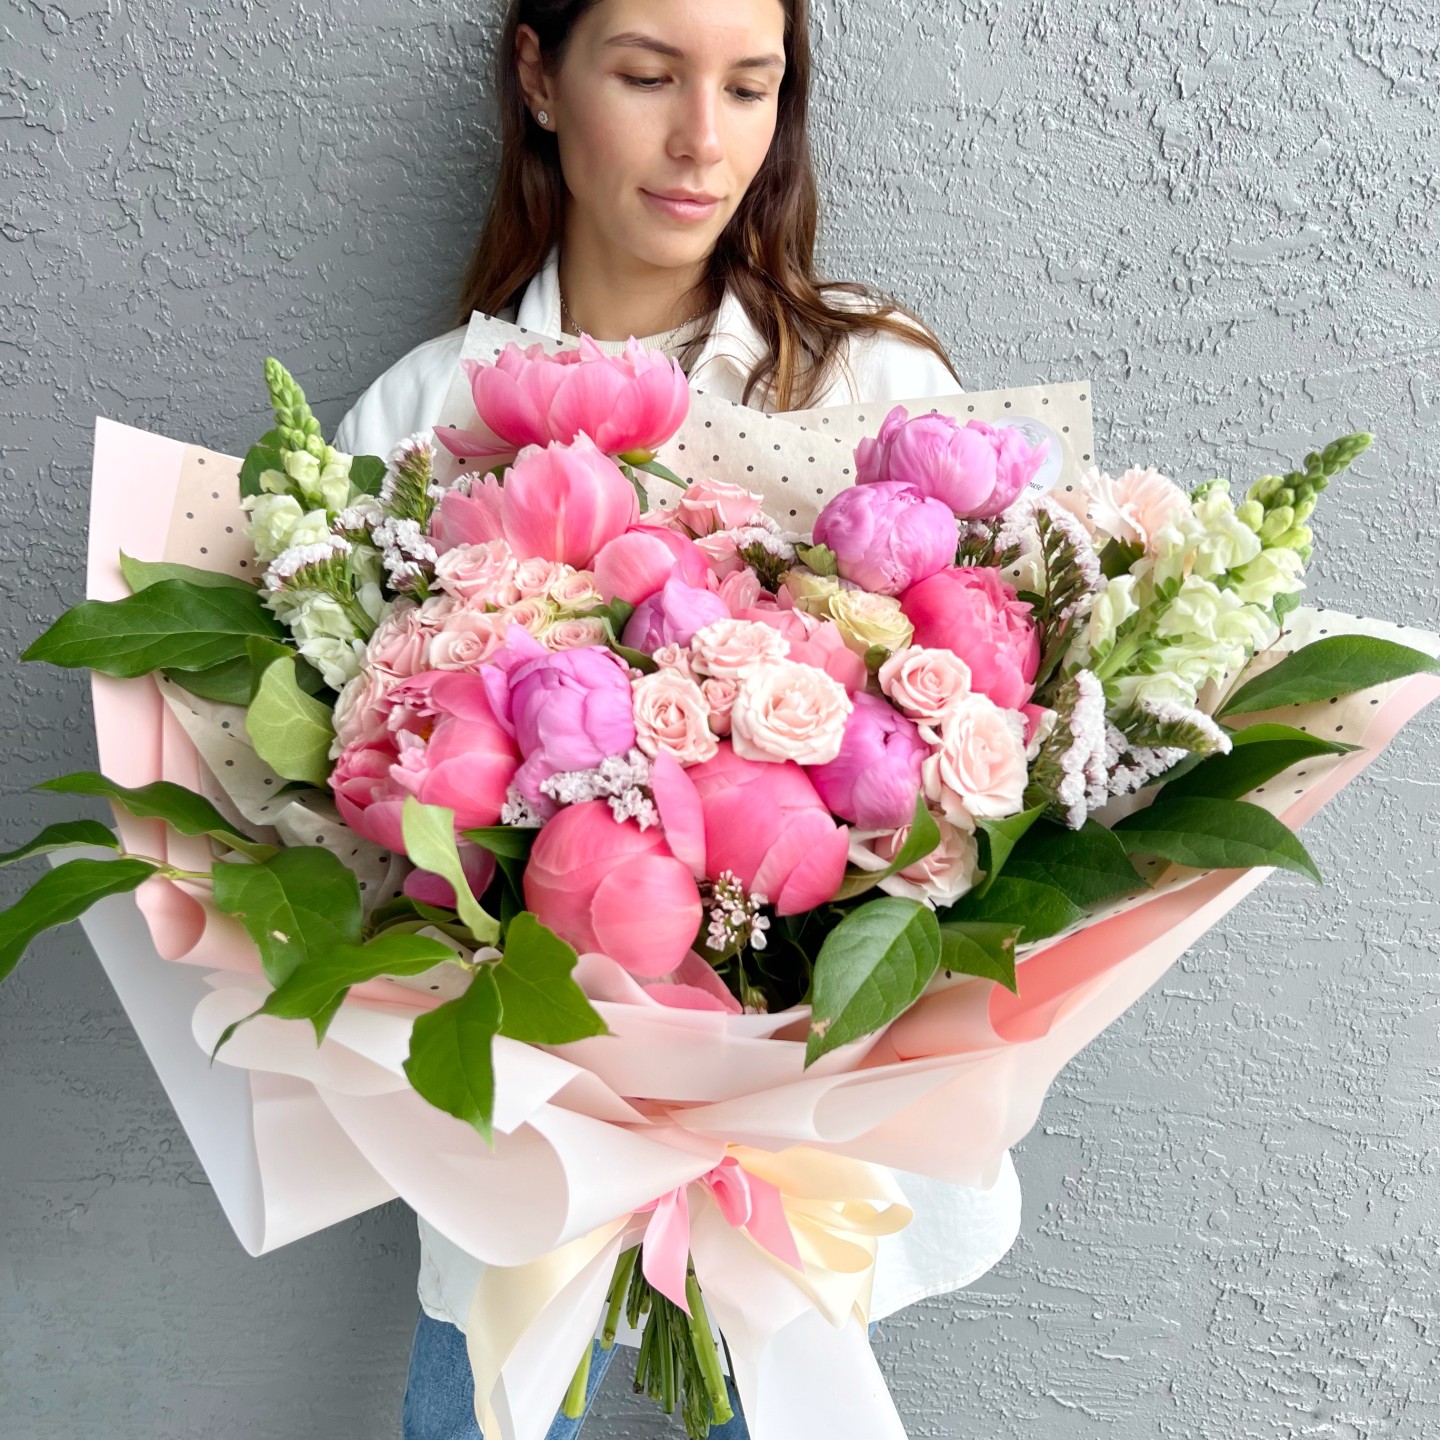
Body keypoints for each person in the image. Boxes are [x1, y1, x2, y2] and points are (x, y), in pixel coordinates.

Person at [333, 1, 1024, 1435]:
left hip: (807, 1155)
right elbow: (337, 802)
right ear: (538, 73)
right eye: (647, 76)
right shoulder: (417, 418)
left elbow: (1000, 771)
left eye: (750, 86)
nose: (703, 140)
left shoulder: (877, 392)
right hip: (522, 1149)